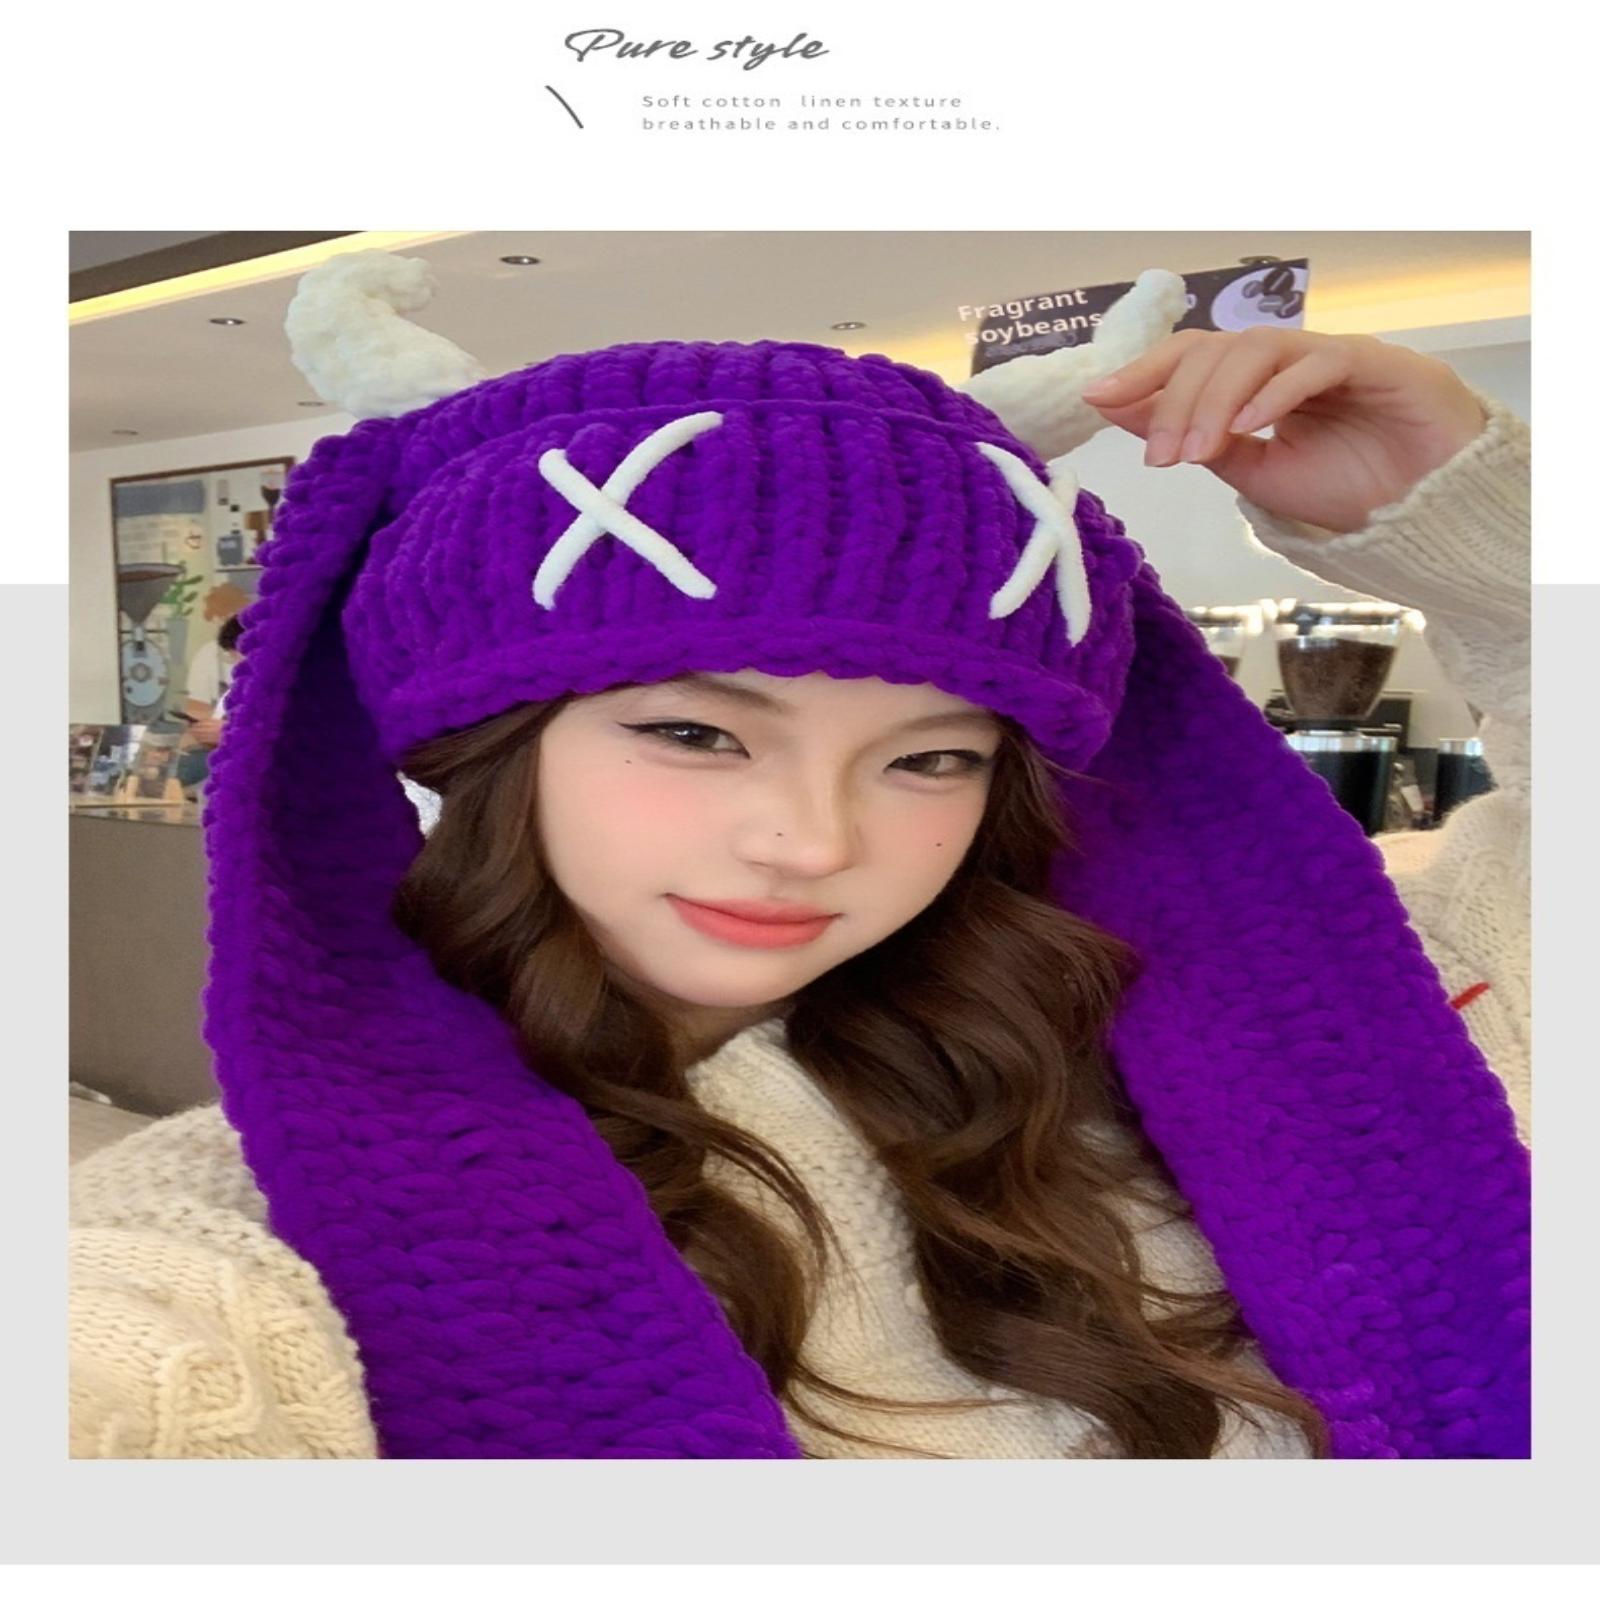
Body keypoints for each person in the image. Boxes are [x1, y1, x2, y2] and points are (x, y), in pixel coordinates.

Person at [68, 254, 1529, 1461]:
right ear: (492, 746)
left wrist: (1495, 558)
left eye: (931, 759)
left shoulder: (1220, 1051)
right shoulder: (260, 1233)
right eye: (698, 735)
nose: (815, 842)